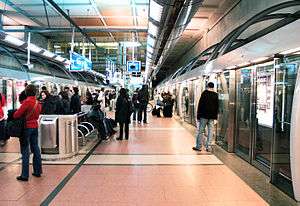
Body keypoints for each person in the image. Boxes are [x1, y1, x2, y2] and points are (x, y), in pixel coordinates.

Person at [13, 84, 42, 181]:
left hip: (26, 128)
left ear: (26, 92)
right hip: (35, 127)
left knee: (25, 151)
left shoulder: (27, 102)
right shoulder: (38, 103)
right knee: (36, 149)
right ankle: (37, 171)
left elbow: (16, 115)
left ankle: (25, 175)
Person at [193, 82, 219, 152]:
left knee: (200, 131)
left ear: (207, 86)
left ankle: (198, 146)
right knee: (210, 131)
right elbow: (217, 107)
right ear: (213, 87)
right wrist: (216, 117)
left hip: (203, 116)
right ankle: (208, 147)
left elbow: (200, 105)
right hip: (212, 117)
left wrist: (198, 116)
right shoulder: (216, 95)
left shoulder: (204, 93)